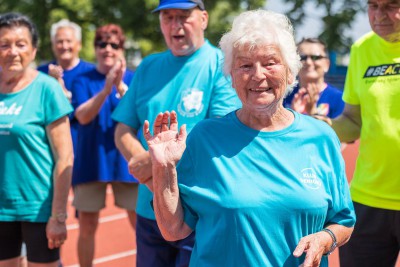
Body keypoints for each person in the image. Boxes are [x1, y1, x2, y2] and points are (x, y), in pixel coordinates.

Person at [143, 9, 356, 267]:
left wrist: (326, 238)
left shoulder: (321, 138)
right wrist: (163, 167)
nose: (258, 75)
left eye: (270, 63)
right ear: (232, 77)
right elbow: (173, 230)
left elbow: (343, 221)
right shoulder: (205, 137)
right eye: (245, 65)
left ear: (290, 72)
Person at [112, 0, 241, 266]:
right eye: (167, 17)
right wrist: (144, 164)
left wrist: (155, 162)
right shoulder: (148, 66)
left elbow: (220, 132)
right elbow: (123, 128)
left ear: (203, 19)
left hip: (198, 211)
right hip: (150, 208)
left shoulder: (222, 64)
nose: (175, 25)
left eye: (183, 16)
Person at [325, 0, 400, 266]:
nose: (380, 15)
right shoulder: (361, 49)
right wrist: (319, 125)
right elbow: (353, 122)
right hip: (367, 198)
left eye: (392, 5)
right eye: (373, 5)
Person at [0, 12, 73, 267]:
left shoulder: (47, 89)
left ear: (33, 50)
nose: (13, 52)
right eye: (4, 44)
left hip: (38, 209)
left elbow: (65, 157)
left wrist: (59, 216)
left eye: (20, 44)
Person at [70, 24, 135, 267]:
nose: (108, 49)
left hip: (126, 161)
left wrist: (119, 87)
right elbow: (83, 116)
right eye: (102, 44)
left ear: (121, 49)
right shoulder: (81, 79)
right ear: (95, 48)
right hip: (91, 159)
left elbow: (137, 115)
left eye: (114, 45)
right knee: (86, 225)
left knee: (141, 223)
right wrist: (106, 88)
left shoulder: (133, 78)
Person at [38, 19, 95, 155]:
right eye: (59, 41)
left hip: (84, 148)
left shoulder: (91, 73)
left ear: (79, 44)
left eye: (69, 41)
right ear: (53, 45)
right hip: (49, 148)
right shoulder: (40, 73)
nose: (64, 46)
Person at [283, 38, 345, 119]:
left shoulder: (339, 98)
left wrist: (312, 113)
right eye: (302, 57)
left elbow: (339, 130)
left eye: (315, 57)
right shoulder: (284, 96)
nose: (308, 62)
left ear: (327, 64)